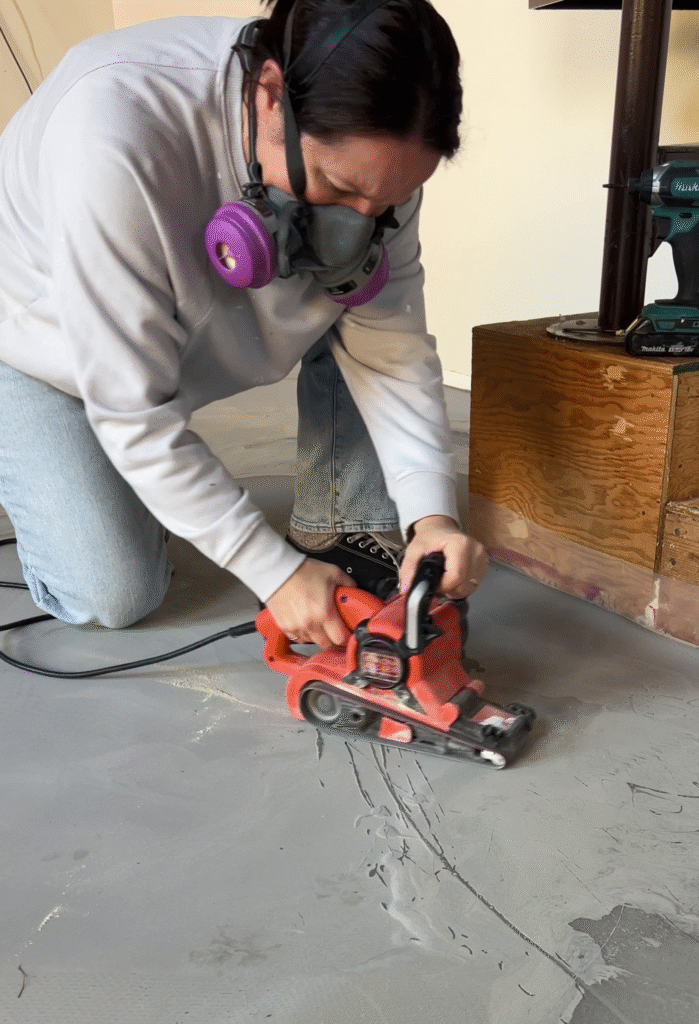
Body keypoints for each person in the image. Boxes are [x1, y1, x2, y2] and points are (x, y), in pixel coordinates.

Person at [0, 0, 487, 651]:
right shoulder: (111, 132)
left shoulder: (376, 162)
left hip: (188, 336)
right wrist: (271, 573)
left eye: (387, 202)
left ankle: (333, 516)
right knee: (111, 594)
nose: (361, 223)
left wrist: (432, 517)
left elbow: (390, 349)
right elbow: (134, 410)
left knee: (350, 248)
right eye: (337, 187)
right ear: (267, 96)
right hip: (43, 346)